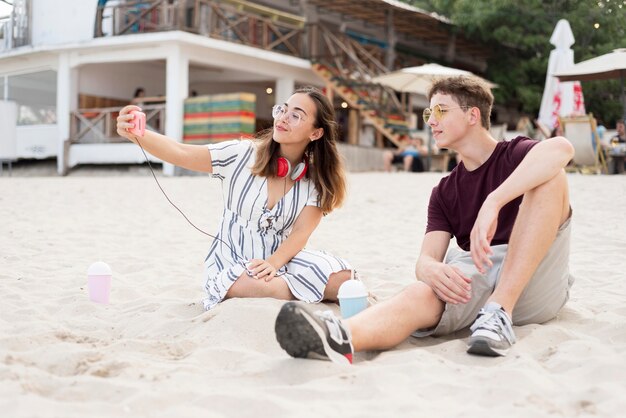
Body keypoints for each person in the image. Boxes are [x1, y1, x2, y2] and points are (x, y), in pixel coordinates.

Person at [274, 76, 575, 363]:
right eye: (429, 112)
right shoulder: (444, 191)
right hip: (479, 278)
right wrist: (430, 269)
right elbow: (426, 260)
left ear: (473, 115)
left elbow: (562, 148)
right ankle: (340, 336)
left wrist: (494, 201)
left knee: (552, 176)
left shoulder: (514, 154)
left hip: (534, 281)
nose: (431, 120)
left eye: (441, 111)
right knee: (424, 290)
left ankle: (500, 309)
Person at [116, 86, 354, 310]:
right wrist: (138, 134)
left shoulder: (315, 180)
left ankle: (289, 287)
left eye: (295, 115)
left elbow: (301, 233)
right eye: (282, 109)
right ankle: (303, 289)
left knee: (346, 279)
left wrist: (274, 263)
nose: (282, 118)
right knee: (247, 284)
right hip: (234, 261)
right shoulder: (242, 154)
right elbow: (182, 152)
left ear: (316, 132)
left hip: (282, 260)